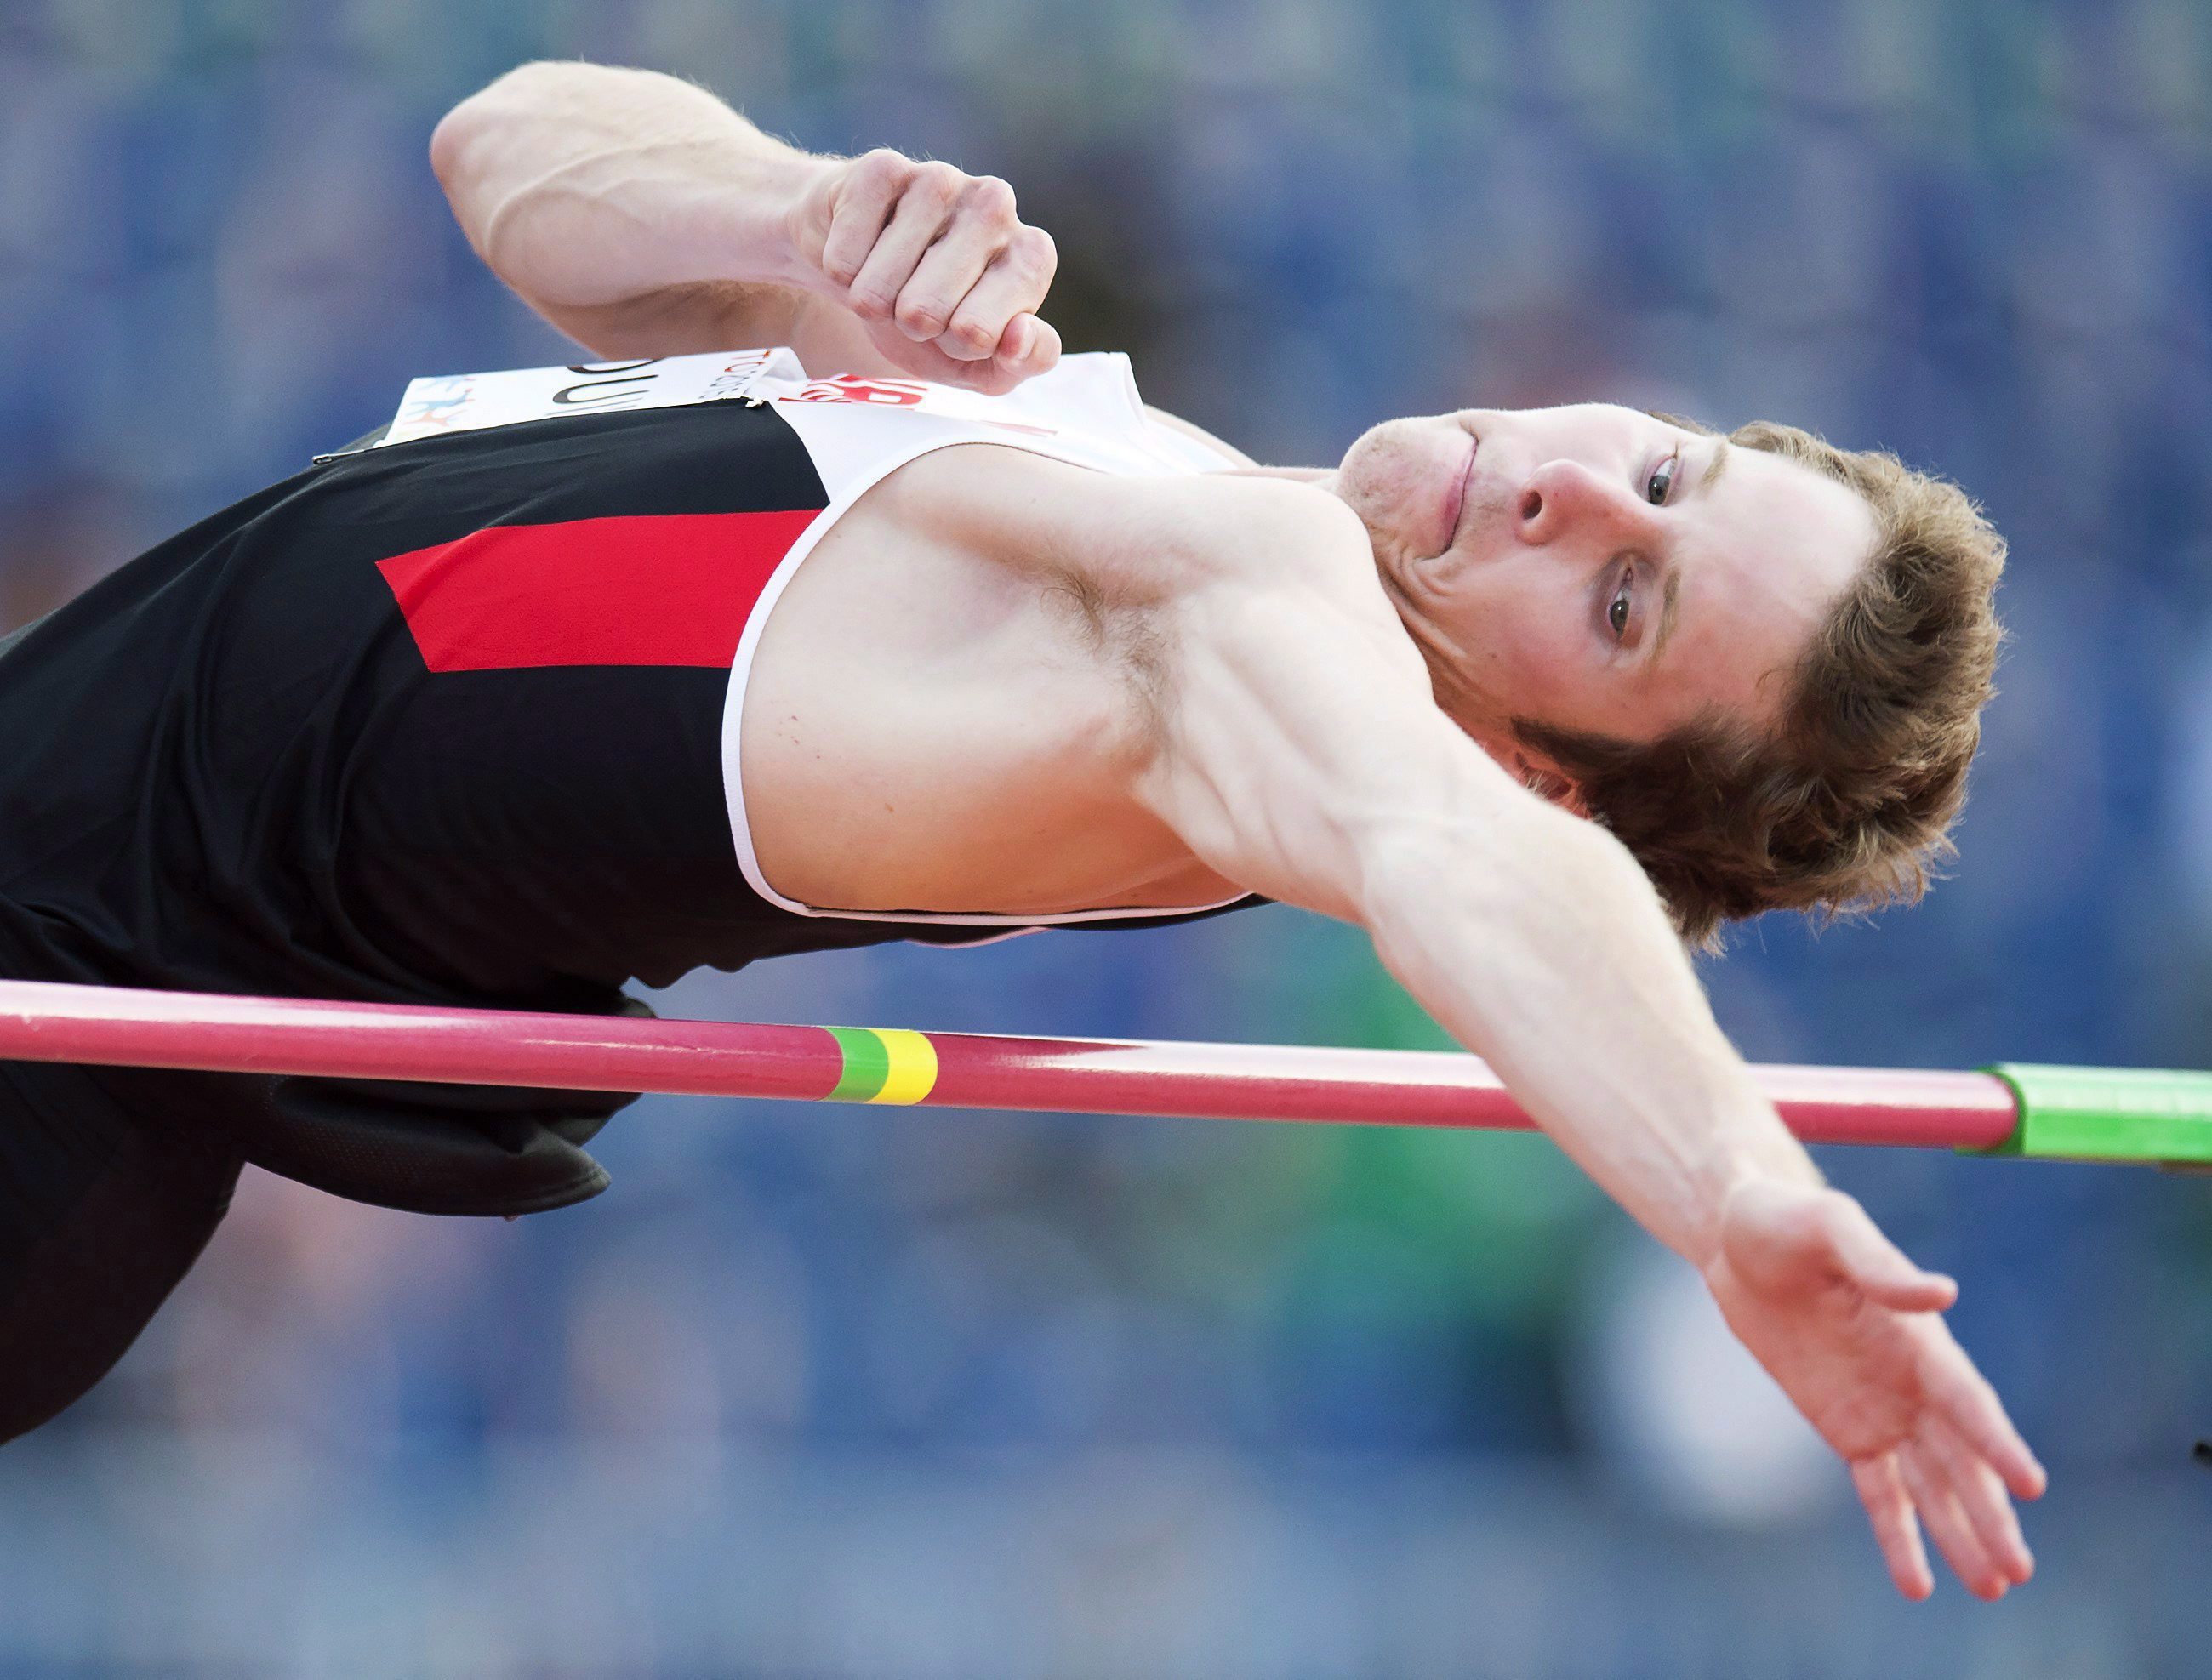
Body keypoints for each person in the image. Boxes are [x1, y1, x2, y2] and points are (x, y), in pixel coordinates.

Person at [0, 59, 2037, 1603]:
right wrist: (803, 225)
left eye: (1622, 607)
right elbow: (510, 149)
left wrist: (1733, 1195)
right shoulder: (1109, 458)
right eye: (1662, 475)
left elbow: (1443, 851)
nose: (1576, 501)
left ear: (1551, 768)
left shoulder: (1248, 628)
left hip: (57, 1026)